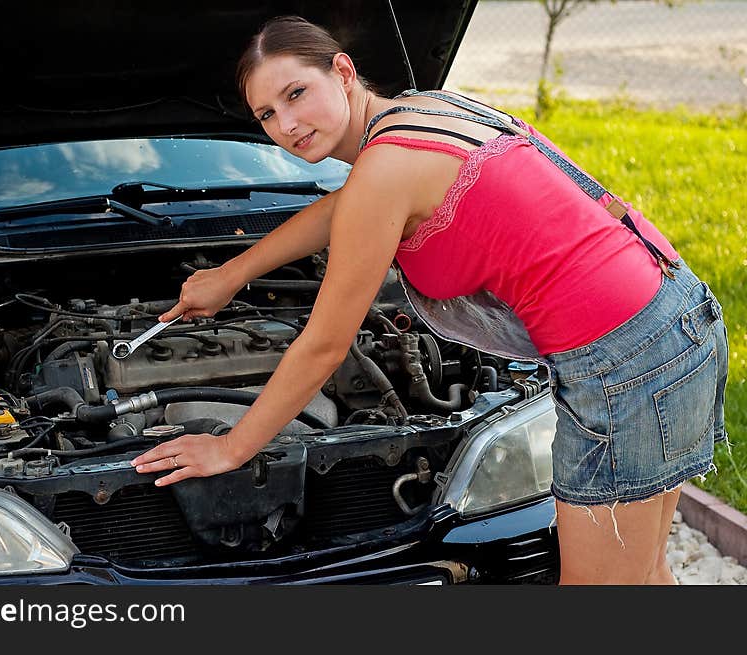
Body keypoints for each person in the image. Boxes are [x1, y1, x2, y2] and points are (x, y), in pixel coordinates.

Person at [130, 15, 729, 584]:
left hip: (620, 361)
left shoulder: (382, 174)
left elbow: (325, 346)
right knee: (644, 576)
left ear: (341, 70)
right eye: (265, 112)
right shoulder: (422, 111)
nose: (285, 124)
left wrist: (232, 446)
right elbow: (343, 208)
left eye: (296, 93)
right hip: (671, 313)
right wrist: (234, 271)